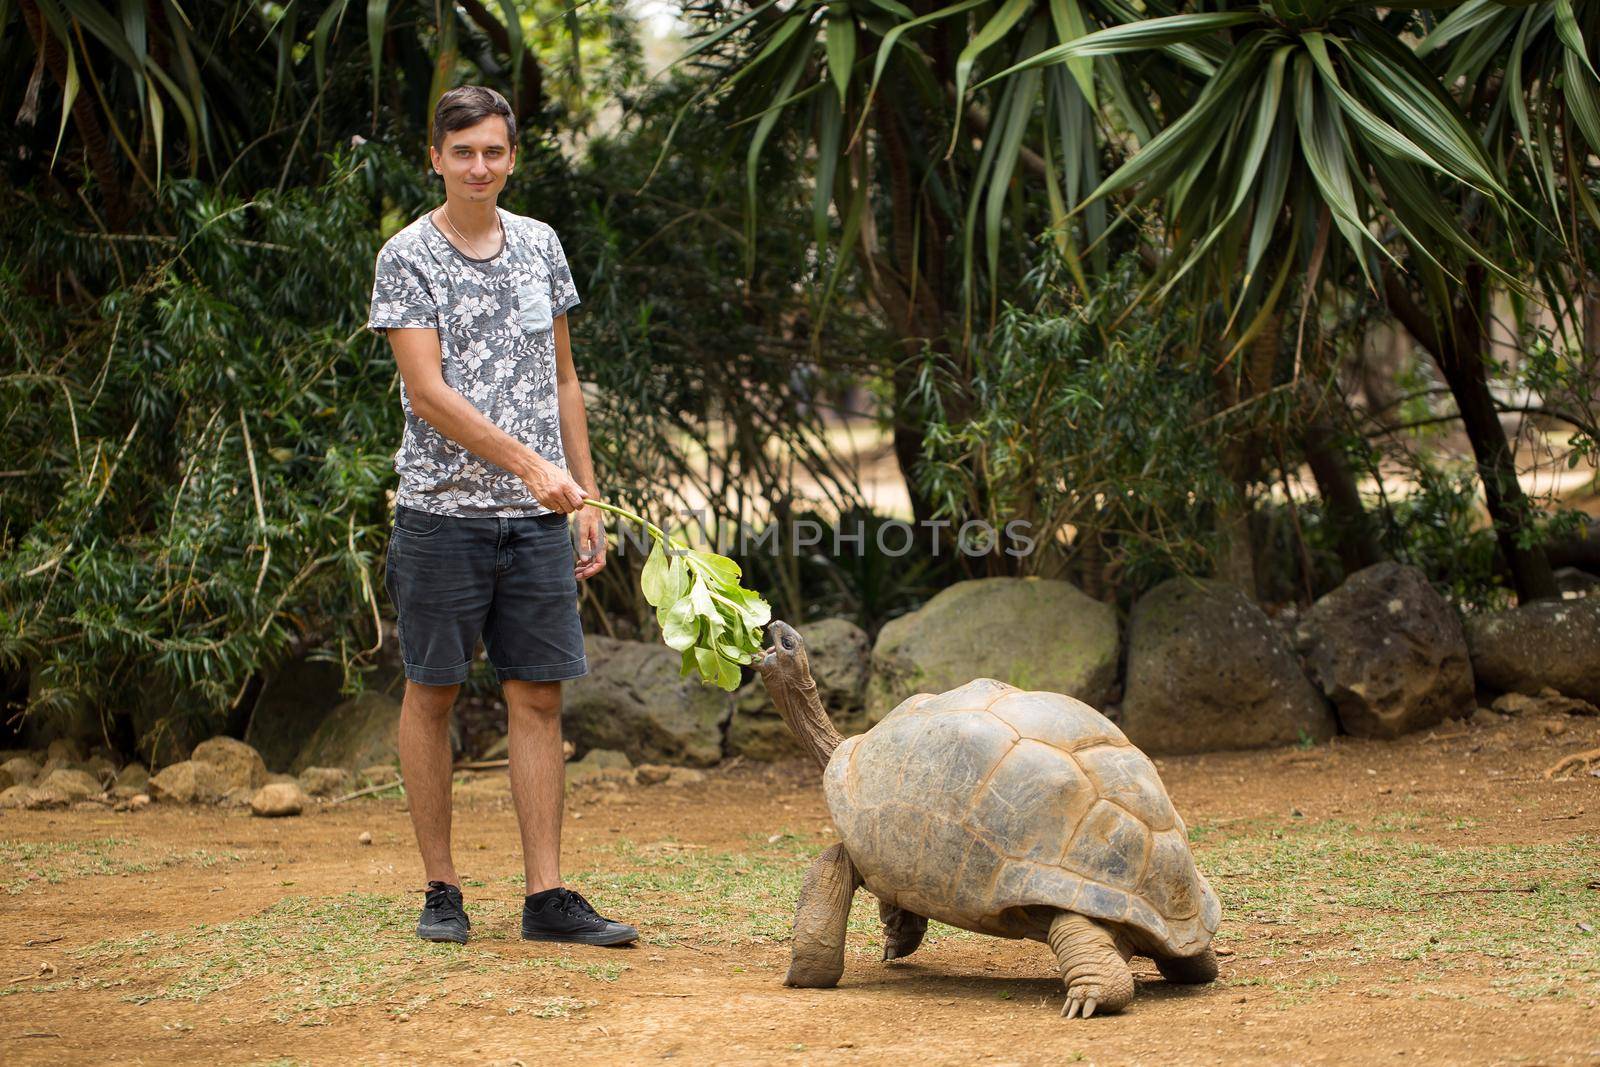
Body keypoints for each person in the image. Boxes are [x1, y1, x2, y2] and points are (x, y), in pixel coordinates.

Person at [366, 85, 635, 947]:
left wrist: (582, 494)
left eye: (493, 151)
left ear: (512, 157)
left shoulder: (541, 246)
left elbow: (562, 380)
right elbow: (427, 392)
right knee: (433, 691)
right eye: (462, 152)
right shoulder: (407, 255)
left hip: (537, 520)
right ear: (434, 159)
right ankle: (441, 887)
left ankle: (546, 896)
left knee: (538, 696)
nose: (478, 166)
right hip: (441, 515)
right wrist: (531, 466)